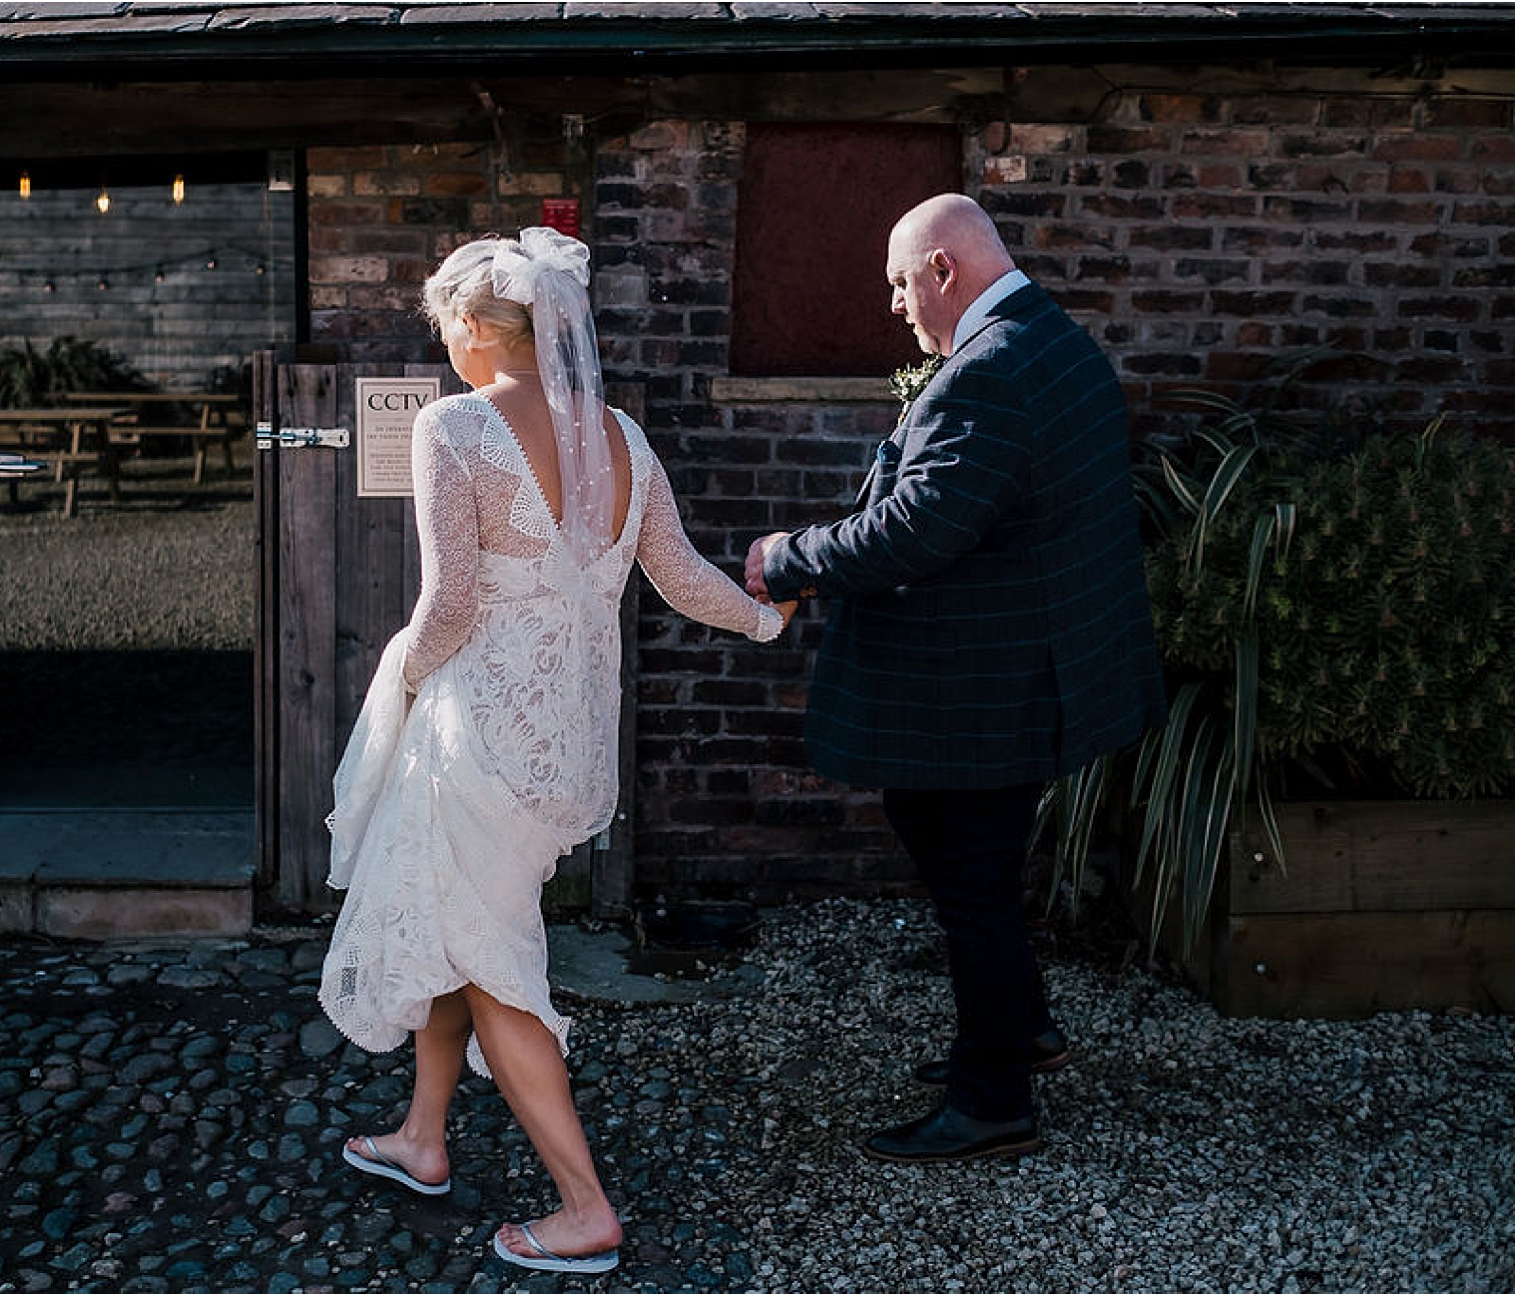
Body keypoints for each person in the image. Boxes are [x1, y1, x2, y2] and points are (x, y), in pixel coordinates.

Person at [319, 227, 791, 1273]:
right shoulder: (621, 436)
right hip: (568, 752)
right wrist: (766, 621)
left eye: (448, 326)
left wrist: (397, 679)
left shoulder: (456, 427)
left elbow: (445, 607)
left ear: (480, 329)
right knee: (463, 920)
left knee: (496, 967)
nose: (446, 347)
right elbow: (681, 577)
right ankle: (424, 1136)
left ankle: (585, 1208)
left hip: (477, 746)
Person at [745, 193, 1165, 1163]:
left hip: (985, 691)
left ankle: (993, 1103)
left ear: (943, 269)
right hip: (1025, 669)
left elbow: (921, 524)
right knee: (966, 864)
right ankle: (1022, 1033)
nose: (895, 307)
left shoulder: (994, 369)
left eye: (901, 284)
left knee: (970, 881)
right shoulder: (1050, 338)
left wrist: (791, 554)